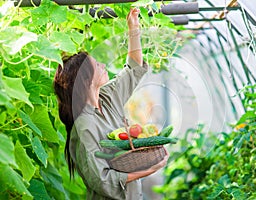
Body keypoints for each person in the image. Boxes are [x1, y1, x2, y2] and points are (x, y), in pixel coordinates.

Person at [53, 8, 169, 200]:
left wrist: (134, 27)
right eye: (97, 65)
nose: (104, 65)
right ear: (87, 79)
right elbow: (102, 180)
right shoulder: (84, 126)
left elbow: (134, 68)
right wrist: (150, 169)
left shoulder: (106, 98)